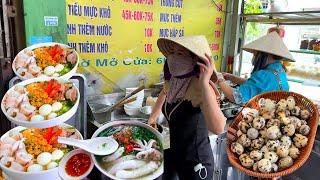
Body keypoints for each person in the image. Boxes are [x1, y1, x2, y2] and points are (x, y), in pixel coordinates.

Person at [154, 35, 226, 180]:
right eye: (172, 52)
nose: (173, 58)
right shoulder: (176, 81)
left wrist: (205, 82)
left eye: (180, 54)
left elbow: (218, 128)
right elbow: (164, 92)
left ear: (196, 60)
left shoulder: (202, 87)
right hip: (176, 155)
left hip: (196, 164)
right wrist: (152, 117)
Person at [216, 32, 295, 105]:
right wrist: (230, 77)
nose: (253, 58)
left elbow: (236, 97)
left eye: (255, 54)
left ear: (265, 55)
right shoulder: (280, 70)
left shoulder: (263, 75)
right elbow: (255, 86)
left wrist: (220, 78)